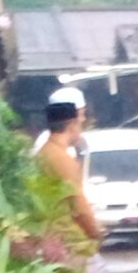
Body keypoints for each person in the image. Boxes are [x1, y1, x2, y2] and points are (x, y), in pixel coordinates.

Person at [35, 100, 103, 246]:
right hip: (67, 238)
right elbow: (77, 203)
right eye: (80, 123)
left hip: (48, 234)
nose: (81, 129)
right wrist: (94, 231)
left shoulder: (43, 153)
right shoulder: (62, 159)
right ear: (72, 124)